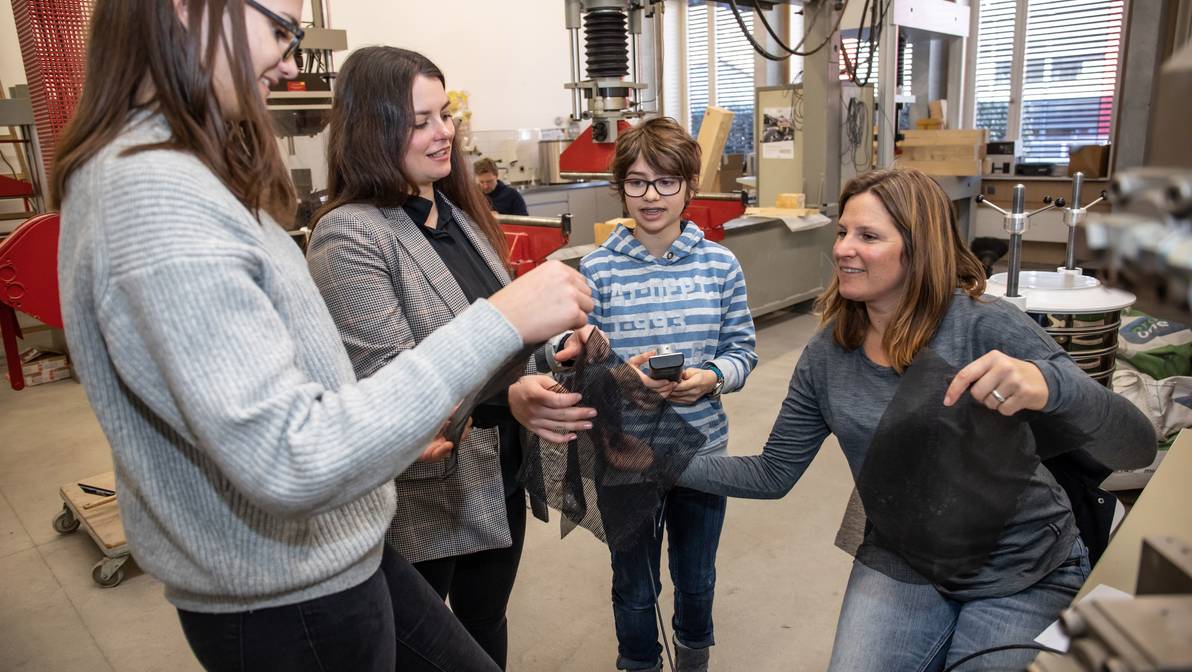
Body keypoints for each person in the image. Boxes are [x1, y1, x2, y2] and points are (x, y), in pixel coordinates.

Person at [51, 2, 591, 671]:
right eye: (281, 28)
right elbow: (290, 456)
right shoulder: (155, 197)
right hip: (286, 596)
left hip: (330, 555)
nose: (290, 58)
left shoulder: (178, 178)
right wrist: (502, 319)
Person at [678, 168, 1157, 671]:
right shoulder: (828, 354)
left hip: (1023, 569)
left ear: (918, 248)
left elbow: (1137, 448)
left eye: (868, 236)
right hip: (905, 559)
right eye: (843, 232)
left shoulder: (984, 324)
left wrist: (1053, 385)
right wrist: (657, 461)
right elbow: (772, 473)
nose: (843, 248)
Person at [307, 46, 583, 670]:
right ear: (373, 129)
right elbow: (385, 379)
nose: (445, 132)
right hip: (427, 491)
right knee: (423, 646)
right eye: (422, 120)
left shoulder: (454, 212)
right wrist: (506, 394)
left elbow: (503, 332)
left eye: (445, 113)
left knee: (486, 619)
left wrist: (555, 351)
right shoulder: (352, 234)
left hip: (500, 470)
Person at [579, 116, 758, 672]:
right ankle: (638, 662)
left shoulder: (720, 266)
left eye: (665, 182)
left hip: (702, 448)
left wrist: (711, 377)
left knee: (696, 574)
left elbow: (743, 351)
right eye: (636, 182)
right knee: (633, 581)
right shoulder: (595, 270)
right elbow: (584, 366)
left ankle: (693, 656)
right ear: (621, 187)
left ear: (689, 186)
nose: (650, 196)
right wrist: (621, 376)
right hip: (627, 450)